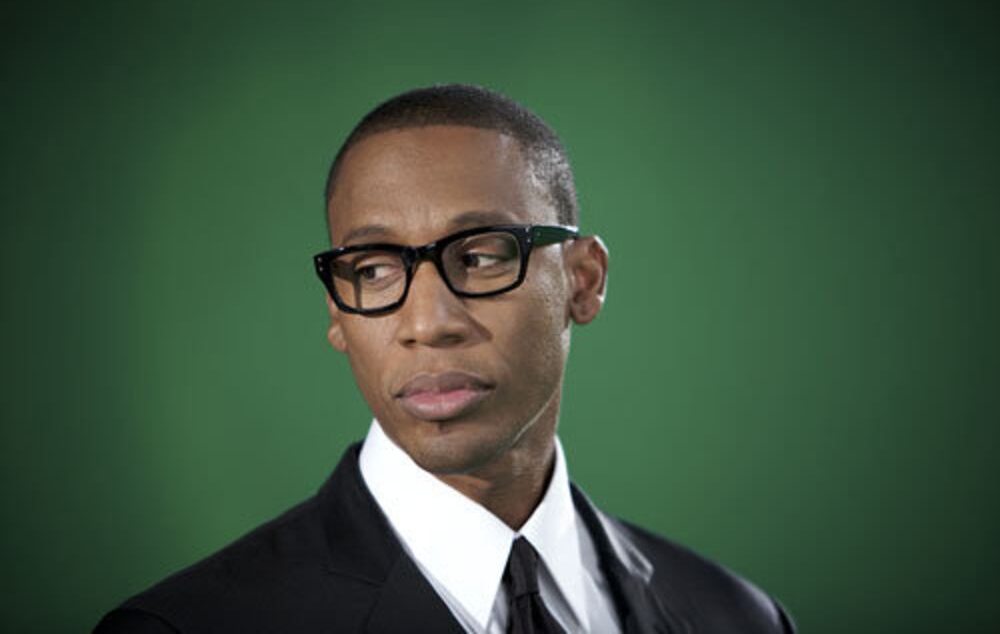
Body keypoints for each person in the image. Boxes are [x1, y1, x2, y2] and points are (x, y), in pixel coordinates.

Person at [95, 84, 795, 633]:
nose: (428, 323)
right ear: (337, 312)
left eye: (482, 256)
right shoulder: (187, 628)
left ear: (583, 281)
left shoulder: (741, 619)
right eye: (374, 270)